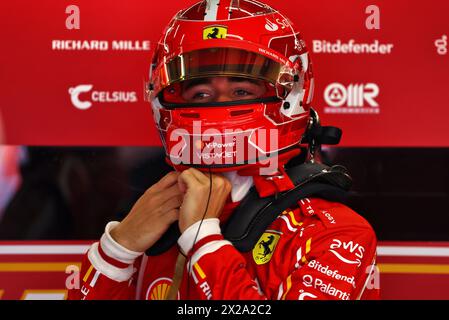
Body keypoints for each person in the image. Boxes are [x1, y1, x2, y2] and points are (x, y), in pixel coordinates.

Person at [69, 0, 379, 300]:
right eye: (201, 93)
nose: (220, 105)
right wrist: (117, 250)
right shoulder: (149, 221)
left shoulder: (336, 234)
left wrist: (202, 240)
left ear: (292, 94)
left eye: (241, 90)